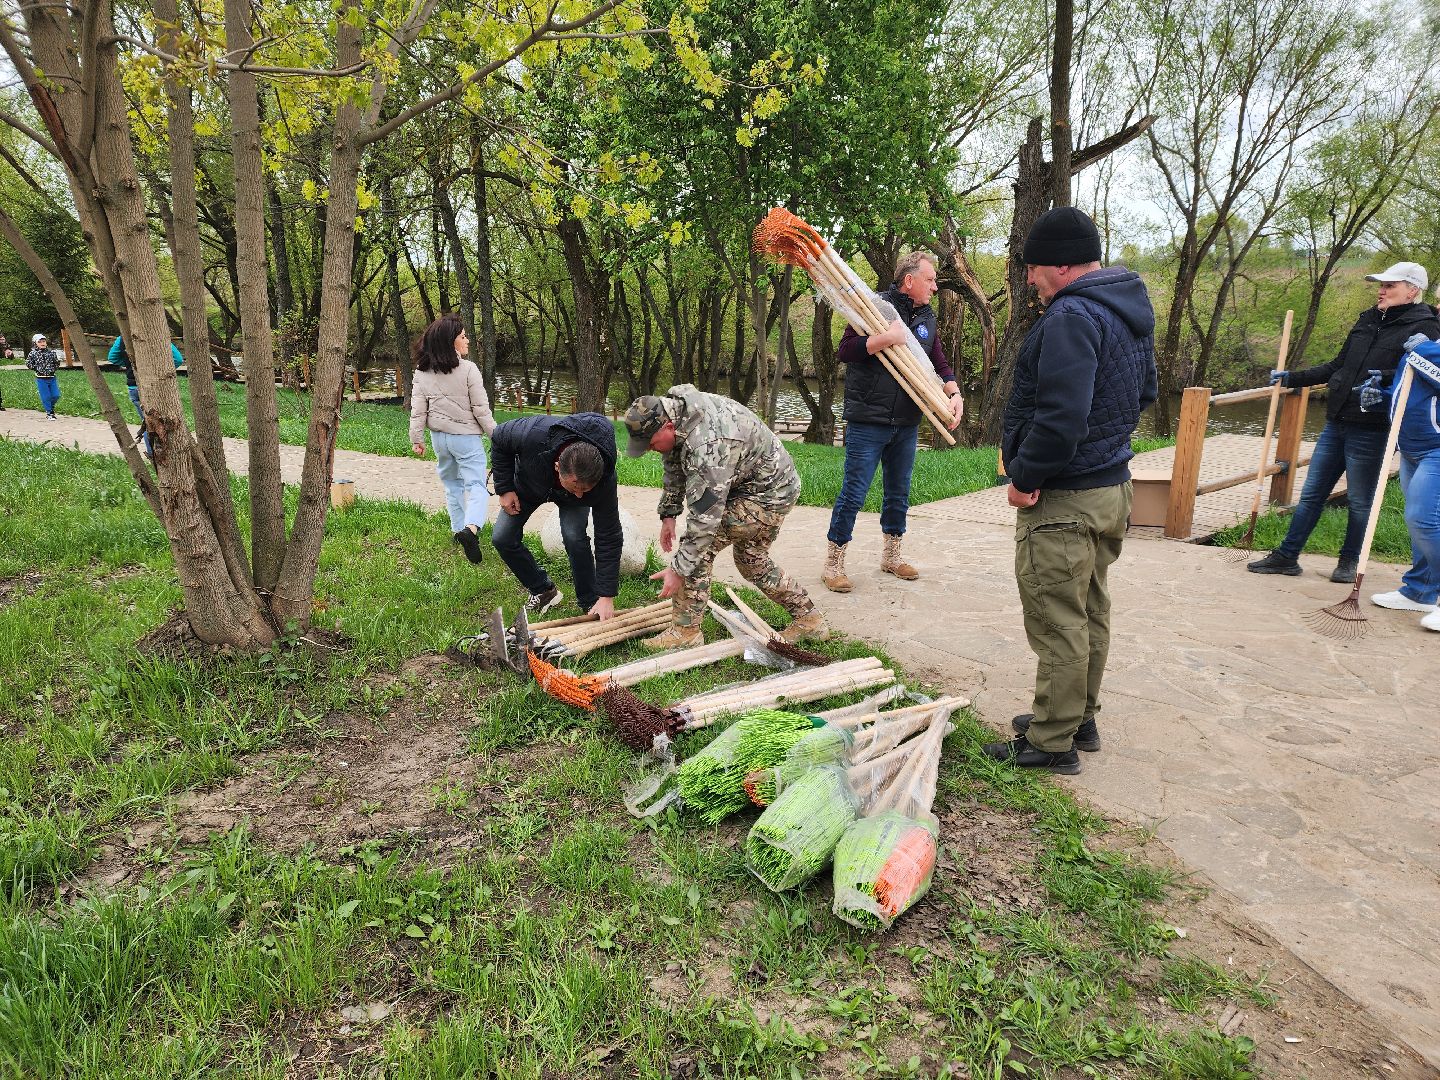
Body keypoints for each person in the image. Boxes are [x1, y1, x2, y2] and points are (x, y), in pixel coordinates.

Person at [983, 206, 1158, 775]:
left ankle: (1050, 742)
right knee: (1089, 607)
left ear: (1058, 265)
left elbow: (1061, 416)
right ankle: (1077, 715)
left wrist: (1026, 477)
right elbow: (1145, 393)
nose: (1029, 280)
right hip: (1112, 488)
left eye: (1032, 268)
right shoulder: (1128, 306)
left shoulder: (1072, 316)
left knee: (1056, 614)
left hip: (1066, 497)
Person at [1247, 262, 1440, 583]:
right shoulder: (1367, 319)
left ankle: (1349, 562)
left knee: (1361, 501)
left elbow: (1421, 375)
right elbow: (1340, 364)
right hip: (1337, 420)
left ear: (1412, 290)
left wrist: (1382, 383)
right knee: (1311, 494)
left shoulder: (1426, 329)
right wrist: (1294, 377)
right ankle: (1287, 556)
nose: (1382, 290)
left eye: (1390, 285)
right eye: (1381, 284)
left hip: (1374, 427)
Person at [625, 384, 828, 650]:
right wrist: (669, 512)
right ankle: (809, 619)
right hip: (753, 484)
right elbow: (673, 457)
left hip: (768, 495)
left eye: (651, 444)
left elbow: (705, 521)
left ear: (668, 427)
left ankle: (685, 633)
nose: (652, 450)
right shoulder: (676, 411)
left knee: (698, 549)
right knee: (751, 562)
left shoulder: (708, 445)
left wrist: (678, 569)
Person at [822, 252, 964, 592]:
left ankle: (891, 555)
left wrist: (954, 391)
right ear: (910, 280)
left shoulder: (927, 317)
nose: (934, 286)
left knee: (898, 492)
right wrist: (886, 338)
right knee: (854, 492)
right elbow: (846, 351)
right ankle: (833, 562)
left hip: (907, 419)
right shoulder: (874, 307)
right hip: (868, 418)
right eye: (930, 280)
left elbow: (938, 363)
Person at [490, 413, 623, 618]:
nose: (580, 495)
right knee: (502, 537)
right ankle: (543, 591)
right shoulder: (533, 434)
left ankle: (591, 601)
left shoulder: (603, 480)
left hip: (563, 490)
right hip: (530, 481)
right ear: (558, 467)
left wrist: (606, 595)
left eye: (586, 490)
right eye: (575, 487)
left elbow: (609, 534)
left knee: (574, 537)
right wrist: (504, 488)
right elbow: (499, 436)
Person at [1362, 334, 1440, 631]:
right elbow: (1416, 393)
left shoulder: (1423, 348)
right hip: (1411, 449)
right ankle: (1420, 591)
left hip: (1437, 449)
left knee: (1423, 520)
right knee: (1421, 525)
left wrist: (1422, 351)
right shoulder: (1425, 347)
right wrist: (1382, 397)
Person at [408, 314, 496, 563]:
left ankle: (458, 530)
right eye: (463, 336)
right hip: (466, 439)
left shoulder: (422, 371)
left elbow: (418, 409)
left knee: (452, 484)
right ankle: (471, 529)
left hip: (439, 439)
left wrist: (417, 438)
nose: (467, 340)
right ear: (451, 342)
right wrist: (496, 435)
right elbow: (481, 409)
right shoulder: (469, 370)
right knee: (475, 485)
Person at [109, 334, 184, 457]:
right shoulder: (157, 333)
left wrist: (132, 365)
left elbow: (113, 358)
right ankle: (167, 453)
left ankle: (152, 454)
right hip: (155, 386)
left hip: (134, 387)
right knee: (163, 421)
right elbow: (177, 359)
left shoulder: (122, 337)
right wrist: (162, 370)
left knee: (147, 421)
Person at [26, 333, 61, 420]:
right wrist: (37, 369)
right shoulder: (33, 353)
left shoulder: (51, 352)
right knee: (46, 396)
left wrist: (53, 369)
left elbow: (56, 362)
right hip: (41, 378)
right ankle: (49, 413)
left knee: (56, 395)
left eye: (44, 341)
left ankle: (51, 407)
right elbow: (28, 363)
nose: (42, 343)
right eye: (40, 341)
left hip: (52, 377)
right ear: (35, 343)